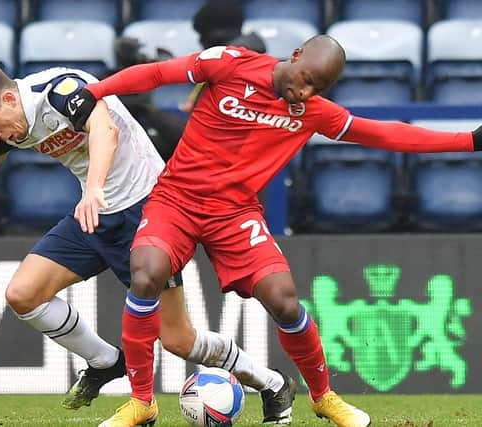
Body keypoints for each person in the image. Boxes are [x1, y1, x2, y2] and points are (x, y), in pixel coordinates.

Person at [80, 34, 482, 427]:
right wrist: (96, 90)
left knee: (285, 301)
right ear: (294, 55)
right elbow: (157, 73)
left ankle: (325, 398)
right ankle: (141, 402)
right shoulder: (230, 63)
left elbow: (384, 133)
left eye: (318, 87)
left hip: (234, 214)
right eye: (306, 78)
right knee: (146, 274)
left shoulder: (314, 112)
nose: (305, 92)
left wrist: (467, 140)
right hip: (176, 199)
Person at [0, 65, 297, 423]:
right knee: (23, 294)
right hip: (97, 214)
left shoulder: (59, 91)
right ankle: (107, 361)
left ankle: (273, 383)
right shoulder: (6, 128)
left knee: (179, 341)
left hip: (150, 211)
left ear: (9, 99)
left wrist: (92, 187)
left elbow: (103, 129)